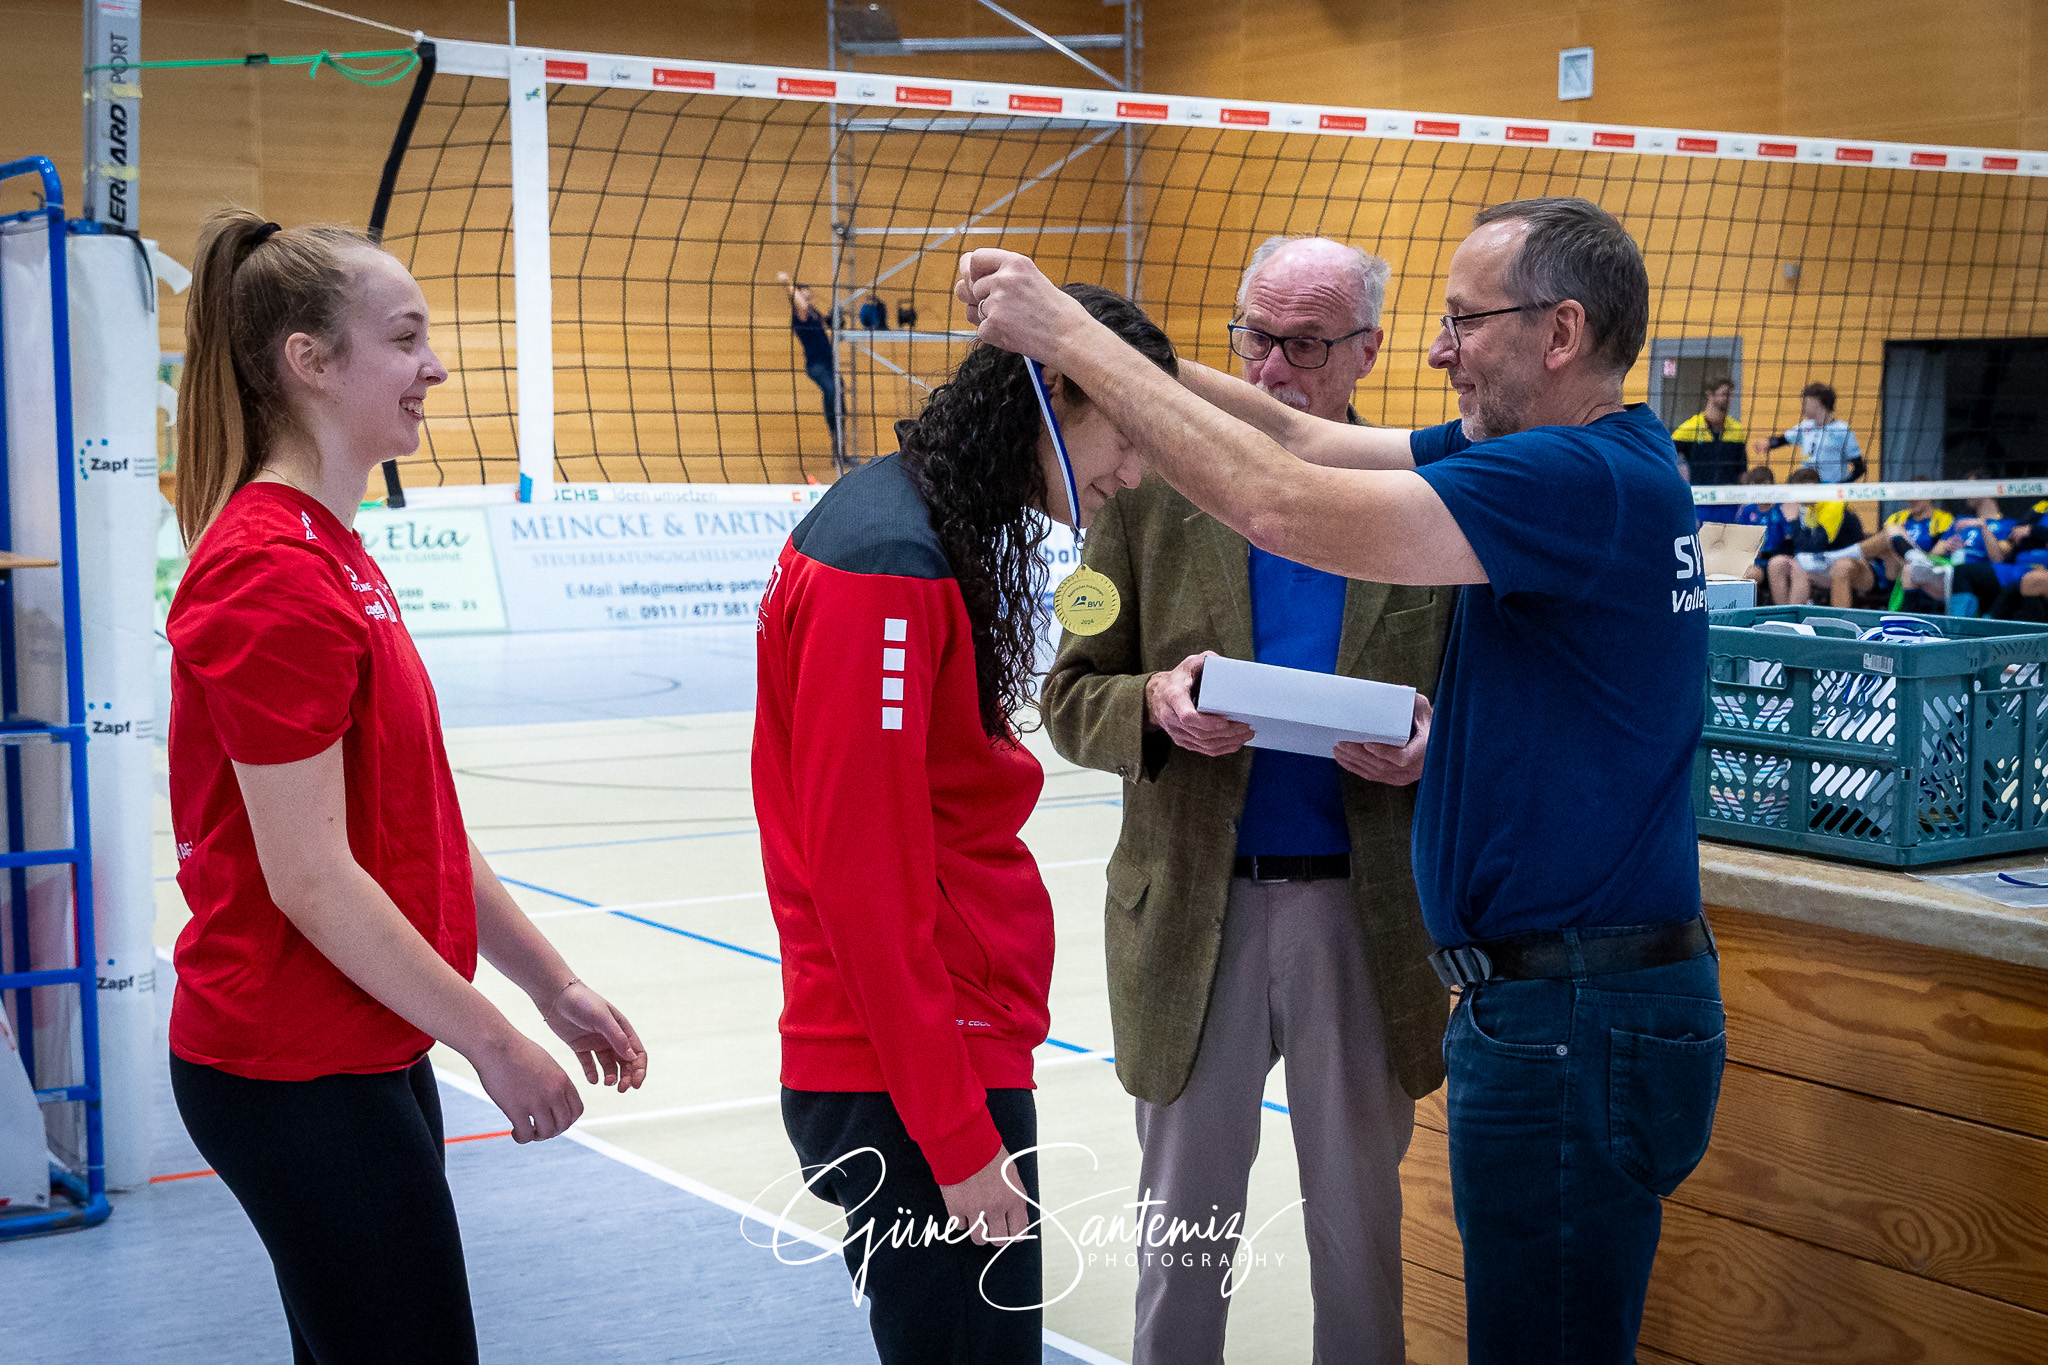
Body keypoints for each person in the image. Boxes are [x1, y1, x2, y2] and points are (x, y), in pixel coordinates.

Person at [957, 196, 1722, 1365]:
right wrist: (1126, 352)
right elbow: (1296, 444)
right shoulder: (1561, 461)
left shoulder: (1558, 479)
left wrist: (1067, 339)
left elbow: (1278, 498)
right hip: (1505, 988)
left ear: (1558, 333)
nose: (1437, 348)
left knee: (1484, 1310)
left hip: (1549, 996)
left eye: (1462, 320)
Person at [166, 210, 647, 1363]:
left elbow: (416, 828)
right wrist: (492, 1041)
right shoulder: (268, 573)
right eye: (405, 338)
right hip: (287, 1065)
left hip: (360, 1044)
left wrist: (551, 985)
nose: (433, 366)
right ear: (310, 363)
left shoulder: (333, 549)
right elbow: (315, 883)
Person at [752, 283, 1176, 1365]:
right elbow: (864, 881)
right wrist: (954, 1136)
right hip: (909, 1070)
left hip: (936, 1046)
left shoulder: (922, 528)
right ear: (1053, 394)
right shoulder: (885, 568)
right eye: (1123, 434)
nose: (1132, 471)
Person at [1043, 236, 1449, 1365]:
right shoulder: (1140, 490)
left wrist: (1434, 749)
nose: (1269, 370)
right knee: (1183, 1241)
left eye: (1305, 345)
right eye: (1252, 339)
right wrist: (1156, 705)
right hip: (1190, 916)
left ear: (1366, 352)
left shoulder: (1423, 503)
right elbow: (1067, 698)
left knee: (1359, 1240)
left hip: (1363, 927)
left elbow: (1487, 712)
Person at [1821, 488, 1954, 608]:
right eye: (1909, 495)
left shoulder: (1942, 519)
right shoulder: (1898, 517)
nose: (1911, 500)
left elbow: (1938, 554)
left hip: (1911, 569)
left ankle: (1833, 556)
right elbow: (1879, 547)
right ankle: (1841, 627)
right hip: (1883, 570)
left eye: (1916, 496)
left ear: (1929, 496)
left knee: (1892, 532)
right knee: (1842, 566)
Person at [1763, 467, 1866, 607]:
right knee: (1777, 563)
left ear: (1810, 487)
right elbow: (1803, 547)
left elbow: (1815, 546)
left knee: (1799, 567)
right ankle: (1781, 615)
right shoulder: (1810, 507)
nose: (1794, 498)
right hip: (1822, 561)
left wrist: (1793, 520)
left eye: (1796, 493)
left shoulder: (1832, 504)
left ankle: (1794, 621)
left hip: (1847, 564)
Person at [776, 271, 845, 469]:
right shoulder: (801, 315)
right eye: (805, 294)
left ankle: (839, 439)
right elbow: (801, 305)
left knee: (839, 395)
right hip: (817, 366)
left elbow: (828, 322)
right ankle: (835, 435)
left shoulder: (813, 311)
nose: (808, 297)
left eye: (809, 294)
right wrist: (788, 283)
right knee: (833, 392)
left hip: (829, 363)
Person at [1672, 376, 1747, 516]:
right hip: (1699, 500)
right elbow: (1672, 462)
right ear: (1710, 395)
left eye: (1730, 395)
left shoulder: (1736, 431)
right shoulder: (1688, 429)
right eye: (1724, 394)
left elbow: (1742, 471)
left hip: (1728, 501)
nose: (1728, 398)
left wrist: (1746, 498)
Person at [1762, 381, 1864, 482]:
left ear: (1818, 402)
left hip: (1830, 492)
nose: (1802, 408)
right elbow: (1784, 439)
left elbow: (1859, 468)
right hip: (1807, 489)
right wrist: (1769, 443)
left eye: (1805, 403)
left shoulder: (1841, 430)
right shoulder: (1805, 426)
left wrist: (1842, 486)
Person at [1735, 466, 1784, 597]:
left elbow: (1788, 540)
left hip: (1776, 560)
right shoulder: (1747, 511)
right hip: (1755, 563)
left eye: (1764, 487)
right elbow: (1740, 540)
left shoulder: (1780, 509)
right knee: (1744, 573)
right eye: (1756, 488)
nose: (1761, 493)